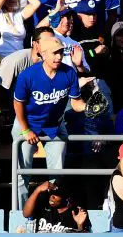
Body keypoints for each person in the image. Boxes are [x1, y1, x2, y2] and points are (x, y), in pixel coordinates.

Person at [12, 33, 87, 206]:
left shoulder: (69, 73)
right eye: (54, 53)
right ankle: (21, 214)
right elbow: (18, 105)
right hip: (27, 122)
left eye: (60, 52)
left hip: (54, 125)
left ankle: (55, 213)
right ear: (43, 54)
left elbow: (76, 103)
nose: (58, 56)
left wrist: (88, 108)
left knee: (57, 174)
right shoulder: (27, 75)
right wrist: (25, 130)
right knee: (22, 173)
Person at [25, 179, 92, 232]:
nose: (52, 196)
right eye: (51, 193)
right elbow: (26, 214)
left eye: (57, 194)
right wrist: (37, 190)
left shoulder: (77, 213)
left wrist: (80, 225)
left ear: (67, 198)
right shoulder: (44, 207)